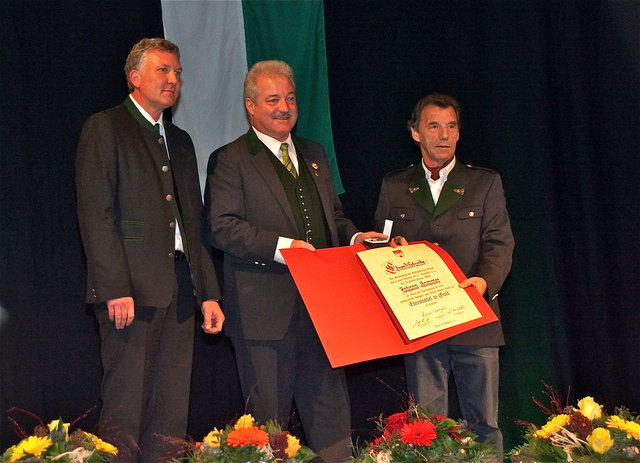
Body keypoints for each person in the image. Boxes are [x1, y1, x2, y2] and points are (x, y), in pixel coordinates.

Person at [205, 60, 401, 462]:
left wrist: (356, 237)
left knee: (332, 420)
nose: (284, 107)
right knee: (268, 430)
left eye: (290, 99)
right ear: (250, 106)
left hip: (323, 311)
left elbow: (334, 218)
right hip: (263, 314)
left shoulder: (314, 153)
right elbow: (221, 227)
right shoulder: (231, 158)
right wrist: (283, 247)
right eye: (273, 99)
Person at [76, 38, 224, 462]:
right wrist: (114, 287)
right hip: (130, 292)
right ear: (135, 78)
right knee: (125, 406)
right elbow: (96, 213)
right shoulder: (106, 127)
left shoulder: (180, 140)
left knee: (170, 410)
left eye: (177, 72)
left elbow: (193, 222)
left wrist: (208, 293)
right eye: (163, 70)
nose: (173, 79)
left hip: (178, 288)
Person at [374, 93, 514, 458]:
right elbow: (381, 245)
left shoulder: (485, 182)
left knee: (483, 425)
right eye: (434, 126)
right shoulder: (395, 185)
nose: (444, 134)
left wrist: (484, 282)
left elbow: (500, 244)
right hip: (421, 324)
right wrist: (391, 250)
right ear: (415, 133)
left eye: (451, 126)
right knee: (425, 428)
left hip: (475, 317)